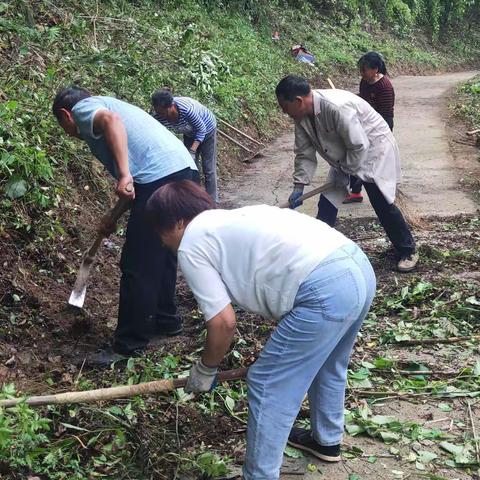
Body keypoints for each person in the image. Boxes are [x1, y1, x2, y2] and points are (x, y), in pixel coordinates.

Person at [145, 180, 376, 480]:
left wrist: (205, 369)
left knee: (267, 381)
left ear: (177, 222)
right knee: (329, 362)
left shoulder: (191, 243)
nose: (163, 243)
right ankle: (326, 440)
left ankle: (259, 475)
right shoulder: (229, 220)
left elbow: (222, 323)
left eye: (160, 234)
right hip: (357, 267)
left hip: (326, 288)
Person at [52, 86, 199, 367]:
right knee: (162, 251)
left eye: (62, 126)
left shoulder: (86, 109)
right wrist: (113, 215)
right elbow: (133, 188)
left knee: (138, 262)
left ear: (65, 115)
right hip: (181, 170)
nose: (67, 131)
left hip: (160, 177)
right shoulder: (114, 105)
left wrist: (123, 173)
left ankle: (128, 346)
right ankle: (166, 320)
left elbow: (112, 125)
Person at [276, 75, 418, 273]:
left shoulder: (336, 107)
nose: (285, 112)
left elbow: (359, 145)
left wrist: (348, 171)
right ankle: (319, 252)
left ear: (298, 101)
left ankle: (407, 250)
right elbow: (304, 153)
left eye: (285, 107)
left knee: (380, 200)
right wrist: (299, 186)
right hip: (345, 155)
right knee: (327, 202)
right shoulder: (301, 117)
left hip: (374, 149)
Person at [151, 89, 219, 203]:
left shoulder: (186, 110)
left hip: (207, 130)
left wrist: (192, 151)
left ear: (171, 106)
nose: (161, 115)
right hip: (189, 132)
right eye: (158, 112)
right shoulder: (158, 116)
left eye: (163, 112)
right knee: (191, 168)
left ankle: (213, 202)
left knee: (208, 168)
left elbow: (201, 129)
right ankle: (197, 200)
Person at [345, 51, 395, 204]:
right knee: (358, 154)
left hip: (380, 126)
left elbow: (384, 114)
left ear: (375, 69)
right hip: (364, 124)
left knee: (371, 160)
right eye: (361, 69)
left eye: (364, 69)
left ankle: (377, 191)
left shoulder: (385, 86)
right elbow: (363, 99)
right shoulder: (364, 82)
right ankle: (356, 192)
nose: (362, 73)